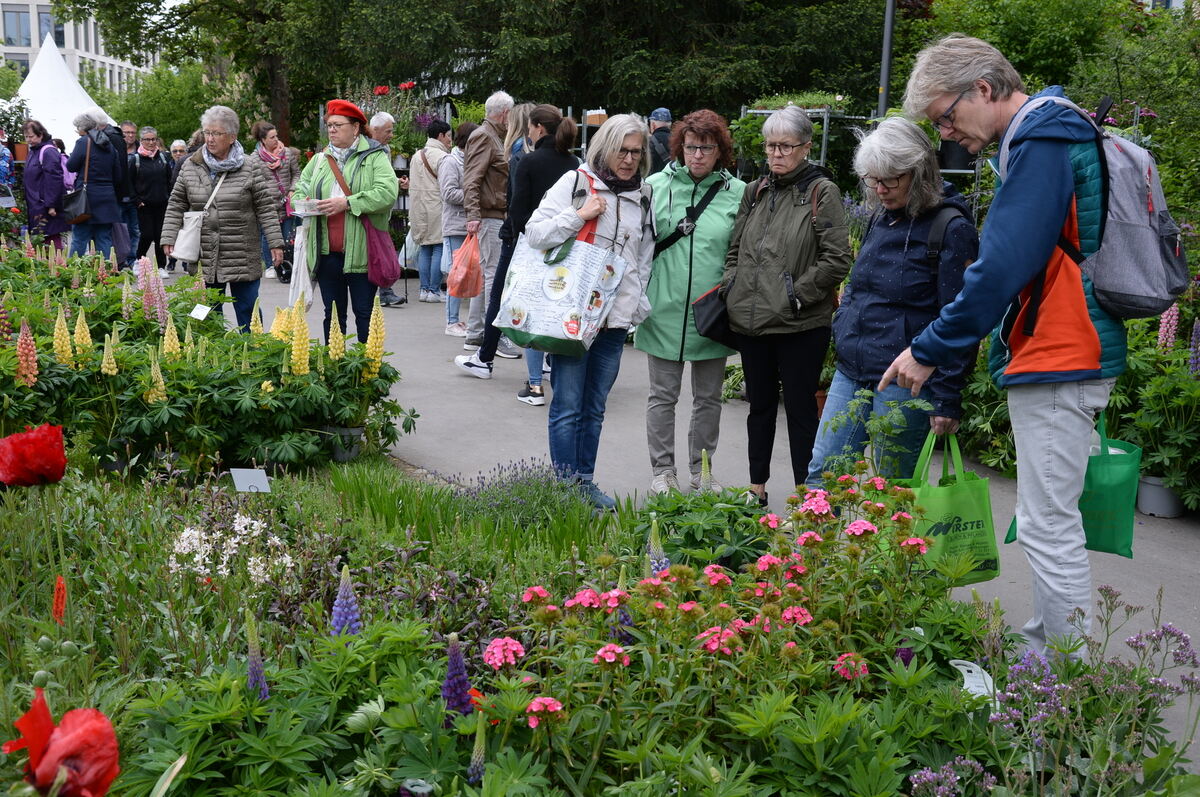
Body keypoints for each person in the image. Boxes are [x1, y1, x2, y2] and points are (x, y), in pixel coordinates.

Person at [879, 35, 1126, 657]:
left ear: (983, 89)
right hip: (1063, 349)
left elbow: (999, 267)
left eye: (946, 116)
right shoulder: (1050, 132)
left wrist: (930, 347)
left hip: (1061, 352)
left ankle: (1065, 686)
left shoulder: (1041, 137)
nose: (948, 134)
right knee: (1050, 520)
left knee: (1048, 526)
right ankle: (1044, 655)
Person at [806, 117, 978, 486]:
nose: (879, 189)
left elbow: (961, 316)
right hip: (853, 367)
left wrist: (947, 398)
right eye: (872, 179)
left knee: (892, 485)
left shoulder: (951, 228)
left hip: (907, 378)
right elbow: (858, 284)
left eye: (889, 179)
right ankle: (812, 544)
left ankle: (888, 546)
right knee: (825, 471)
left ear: (919, 173)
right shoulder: (882, 216)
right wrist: (845, 323)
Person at [722, 106, 853, 507]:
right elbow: (734, 250)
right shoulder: (756, 190)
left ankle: (806, 496)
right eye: (770, 146)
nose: (776, 154)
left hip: (801, 325)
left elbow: (838, 259)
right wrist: (733, 287)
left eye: (785, 146)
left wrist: (796, 294)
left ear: (806, 147)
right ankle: (756, 488)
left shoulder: (821, 191)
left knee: (799, 411)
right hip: (753, 322)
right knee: (758, 408)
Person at [523, 114, 656, 511]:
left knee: (594, 408)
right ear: (605, 148)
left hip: (614, 321)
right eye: (622, 150)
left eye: (636, 152)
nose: (630, 159)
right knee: (567, 405)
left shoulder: (643, 195)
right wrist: (579, 215)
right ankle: (564, 490)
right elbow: (535, 233)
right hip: (572, 316)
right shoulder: (576, 183)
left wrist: (636, 303)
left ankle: (584, 483)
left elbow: (643, 257)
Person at [636, 110, 745, 494]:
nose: (698, 155)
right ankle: (663, 472)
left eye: (707, 147)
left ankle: (702, 472)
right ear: (678, 147)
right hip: (662, 309)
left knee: (708, 399)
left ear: (721, 151)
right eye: (691, 146)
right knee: (662, 397)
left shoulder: (739, 193)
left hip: (713, 314)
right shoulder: (652, 187)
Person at [455, 104, 581, 400]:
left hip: (525, 242)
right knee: (551, 302)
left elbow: (518, 207)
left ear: (538, 127)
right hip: (562, 244)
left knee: (501, 295)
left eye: (529, 126)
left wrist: (512, 233)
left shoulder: (528, 160)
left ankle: (486, 359)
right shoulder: (574, 163)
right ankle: (549, 362)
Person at [161, 105, 283, 332]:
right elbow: (176, 202)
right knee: (205, 312)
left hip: (241, 254)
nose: (210, 138)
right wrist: (168, 236)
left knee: (248, 311)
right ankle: (209, 359)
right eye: (207, 132)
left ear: (232, 136)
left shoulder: (250, 165)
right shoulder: (191, 164)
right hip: (204, 252)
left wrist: (275, 243)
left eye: (216, 133)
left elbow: (265, 207)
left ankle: (252, 357)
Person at [290, 99, 399, 343]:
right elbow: (299, 189)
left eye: (338, 125)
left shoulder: (373, 156)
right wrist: (305, 201)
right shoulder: (320, 160)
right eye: (329, 125)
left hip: (362, 254)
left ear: (356, 128)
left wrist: (348, 203)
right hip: (327, 254)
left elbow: (387, 193)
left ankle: (368, 370)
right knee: (333, 315)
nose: (332, 130)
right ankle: (334, 368)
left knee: (365, 313)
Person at [462, 90, 514, 350]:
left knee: (486, 274)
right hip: (489, 215)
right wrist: (473, 215)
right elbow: (471, 178)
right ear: (504, 113)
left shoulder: (492, 136)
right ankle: (493, 337)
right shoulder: (485, 136)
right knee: (494, 275)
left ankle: (475, 332)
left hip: (491, 214)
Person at [66, 110, 123, 259]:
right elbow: (118, 175)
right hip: (107, 198)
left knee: (80, 238)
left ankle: (74, 273)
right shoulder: (110, 145)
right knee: (104, 238)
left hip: (87, 197)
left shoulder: (83, 142)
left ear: (82, 128)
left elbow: (71, 166)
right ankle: (104, 274)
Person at [437, 121, 477, 336]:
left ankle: (465, 320)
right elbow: (449, 193)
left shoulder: (472, 161)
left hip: (471, 225)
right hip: (456, 225)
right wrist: (476, 197)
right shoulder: (450, 162)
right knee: (457, 273)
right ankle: (451, 321)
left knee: (471, 274)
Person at [407, 120, 452, 303]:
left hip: (418, 207)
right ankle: (434, 290)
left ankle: (424, 290)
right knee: (439, 246)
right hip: (436, 206)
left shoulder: (417, 155)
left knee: (425, 247)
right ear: (440, 135)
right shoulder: (442, 157)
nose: (450, 140)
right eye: (448, 136)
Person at [250, 120, 300, 281]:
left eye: (276, 136)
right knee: (267, 235)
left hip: (286, 203)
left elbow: (297, 174)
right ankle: (271, 265)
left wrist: (292, 189)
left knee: (287, 235)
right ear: (263, 140)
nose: (276, 139)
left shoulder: (287, 153)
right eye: (272, 137)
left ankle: (285, 264)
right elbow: (254, 183)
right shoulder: (255, 159)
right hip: (267, 205)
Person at [130, 126, 174, 276]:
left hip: (162, 203)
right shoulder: (135, 160)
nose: (151, 142)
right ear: (141, 141)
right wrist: (137, 200)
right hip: (144, 205)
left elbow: (169, 180)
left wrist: (169, 197)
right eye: (147, 139)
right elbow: (128, 183)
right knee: (147, 234)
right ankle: (139, 260)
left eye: (153, 139)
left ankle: (161, 266)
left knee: (160, 235)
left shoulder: (163, 158)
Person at [21, 120, 69, 251]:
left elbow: (54, 179)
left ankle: (57, 267)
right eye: (26, 137)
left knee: (51, 239)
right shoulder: (34, 151)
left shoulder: (47, 152)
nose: (28, 140)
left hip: (45, 205)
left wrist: (51, 205)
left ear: (41, 134)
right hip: (36, 204)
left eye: (31, 136)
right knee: (42, 239)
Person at [116, 120, 140, 268]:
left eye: (132, 132)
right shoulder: (115, 149)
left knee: (135, 230)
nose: (130, 136)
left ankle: (133, 259)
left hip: (135, 197)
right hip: (119, 197)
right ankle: (120, 259)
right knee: (120, 230)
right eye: (127, 133)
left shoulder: (141, 151)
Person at [648, 108, 673, 173]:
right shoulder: (678, 141)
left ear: (653, 125)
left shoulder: (649, 142)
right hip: (673, 181)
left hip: (653, 182)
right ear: (669, 125)